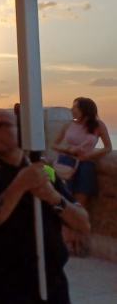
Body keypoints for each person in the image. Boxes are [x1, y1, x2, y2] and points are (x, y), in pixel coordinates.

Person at [0, 109, 90, 304]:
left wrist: (52, 196)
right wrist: (21, 184)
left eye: (2, 125)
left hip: (52, 279)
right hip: (7, 284)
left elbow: (83, 223)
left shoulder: (44, 171)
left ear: (23, 132)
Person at [51, 97, 112, 256]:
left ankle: (80, 244)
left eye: (75, 107)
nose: (72, 109)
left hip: (86, 166)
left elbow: (107, 147)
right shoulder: (69, 124)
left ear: (85, 110)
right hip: (68, 164)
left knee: (80, 205)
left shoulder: (97, 125)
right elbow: (54, 145)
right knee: (67, 203)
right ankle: (68, 243)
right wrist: (69, 150)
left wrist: (90, 154)